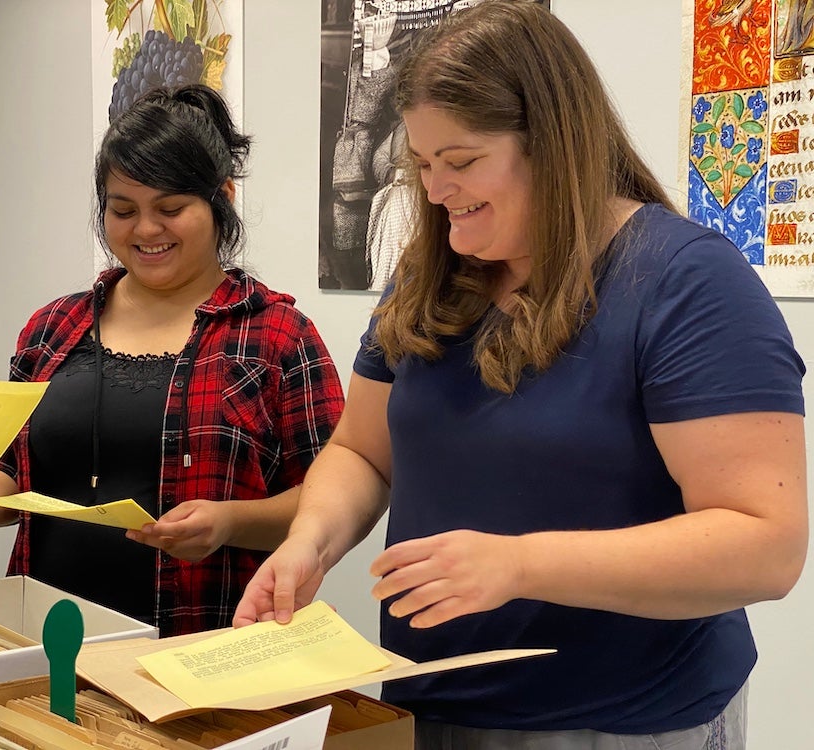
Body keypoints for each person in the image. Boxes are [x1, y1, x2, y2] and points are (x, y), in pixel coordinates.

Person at [234, 2, 807, 748]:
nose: (437, 193)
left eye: (463, 162)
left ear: (555, 143)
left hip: (616, 723)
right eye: (422, 165)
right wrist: (309, 543)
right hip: (427, 703)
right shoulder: (427, 276)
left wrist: (519, 564)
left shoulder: (686, 283)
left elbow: (765, 546)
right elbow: (362, 452)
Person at [0, 84, 345, 637]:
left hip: (202, 643)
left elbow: (330, 496)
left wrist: (229, 523)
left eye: (170, 208)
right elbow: (11, 475)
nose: (145, 230)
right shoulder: (52, 329)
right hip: (47, 641)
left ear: (222, 199)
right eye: (123, 210)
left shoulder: (277, 336)